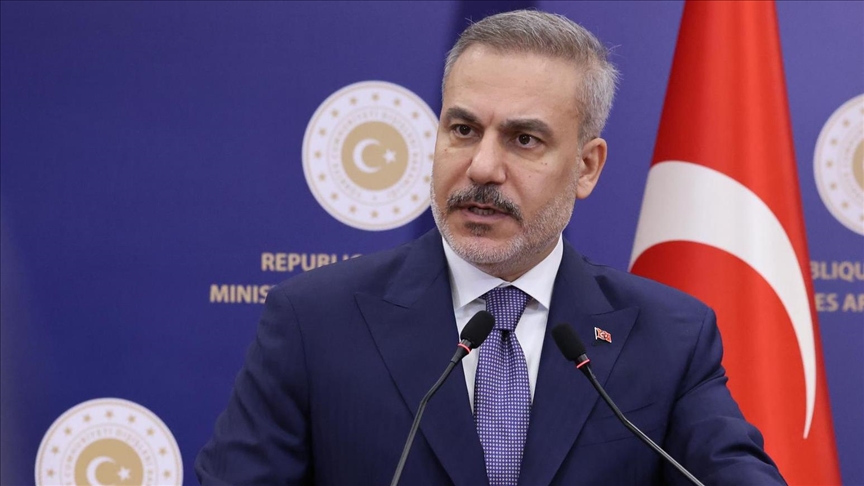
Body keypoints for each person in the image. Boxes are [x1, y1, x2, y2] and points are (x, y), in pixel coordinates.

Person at [196, 10, 785, 485]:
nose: (481, 167)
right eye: (463, 130)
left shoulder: (669, 337)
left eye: (523, 139)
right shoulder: (315, 321)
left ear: (586, 166)